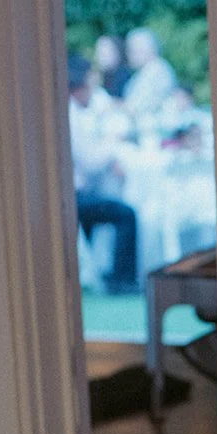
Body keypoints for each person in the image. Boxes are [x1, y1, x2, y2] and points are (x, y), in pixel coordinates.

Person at [68, 53, 139, 292]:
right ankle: (122, 280)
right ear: (79, 86)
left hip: (80, 191)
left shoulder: (77, 114)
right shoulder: (71, 115)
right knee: (126, 214)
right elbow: (90, 162)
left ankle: (110, 274)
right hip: (75, 196)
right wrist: (113, 141)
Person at [122, 27, 178, 126]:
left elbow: (135, 107)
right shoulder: (146, 71)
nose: (129, 55)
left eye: (132, 50)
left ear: (146, 49)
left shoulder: (156, 70)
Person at [94, 33, 131, 99]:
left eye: (104, 54)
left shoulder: (123, 77)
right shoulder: (103, 76)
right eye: (98, 53)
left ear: (117, 54)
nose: (99, 58)